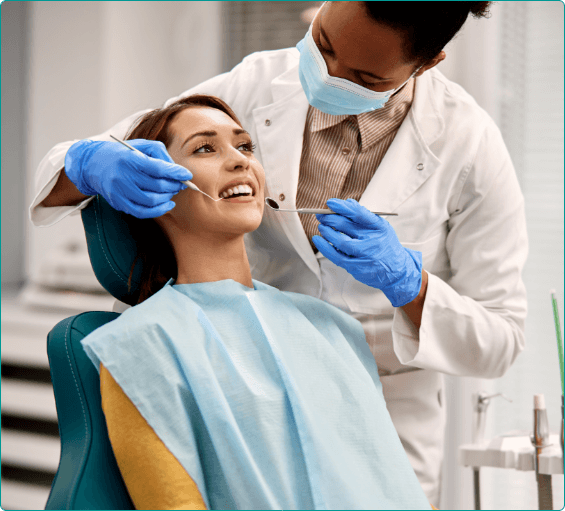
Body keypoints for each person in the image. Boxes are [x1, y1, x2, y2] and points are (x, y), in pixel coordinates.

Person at [30, 2, 528, 505]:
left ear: (428, 63)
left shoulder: (469, 143)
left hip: (377, 397)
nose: (328, 75)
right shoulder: (151, 346)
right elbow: (99, 155)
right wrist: (88, 163)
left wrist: (410, 286)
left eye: (362, 76)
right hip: (233, 379)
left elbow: (501, 337)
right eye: (324, 45)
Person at [81, 93, 434, 510]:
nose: (239, 160)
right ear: (151, 190)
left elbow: (390, 481)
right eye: (205, 148)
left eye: (245, 146)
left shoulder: (333, 328)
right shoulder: (141, 345)